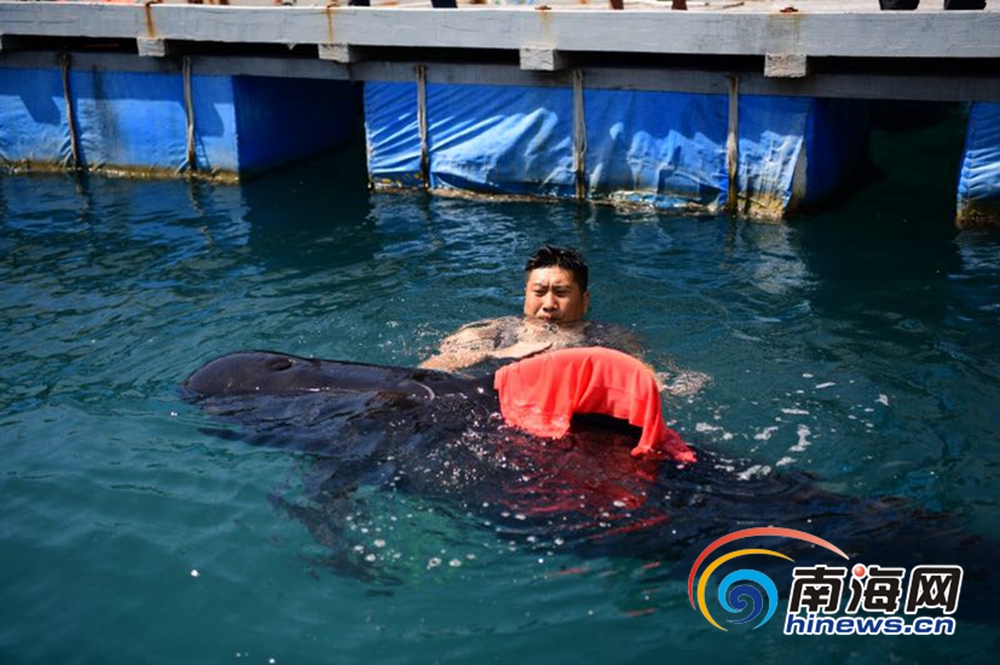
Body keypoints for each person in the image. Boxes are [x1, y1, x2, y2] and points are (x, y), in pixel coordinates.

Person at [420, 244, 708, 396]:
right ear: (525, 295)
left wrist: (664, 383)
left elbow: (645, 370)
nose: (548, 304)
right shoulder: (492, 332)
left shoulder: (609, 337)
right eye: (539, 292)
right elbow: (428, 370)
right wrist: (499, 353)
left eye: (560, 293)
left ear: (584, 300)